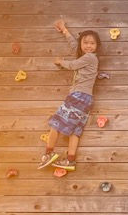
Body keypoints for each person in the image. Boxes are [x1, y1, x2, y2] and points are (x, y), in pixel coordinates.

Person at [38, 19, 100, 171]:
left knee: (56, 123)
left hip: (78, 96)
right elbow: (75, 46)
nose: (88, 46)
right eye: (86, 42)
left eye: (92, 43)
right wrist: (65, 31)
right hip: (86, 99)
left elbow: (72, 65)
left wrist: (60, 61)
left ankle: (49, 153)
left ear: (97, 46)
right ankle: (70, 160)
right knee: (75, 130)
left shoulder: (90, 57)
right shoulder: (85, 56)